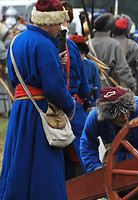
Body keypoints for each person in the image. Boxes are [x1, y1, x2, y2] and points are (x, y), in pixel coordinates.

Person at [0, 0, 75, 200]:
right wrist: (70, 106)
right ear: (47, 22)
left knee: (19, 158)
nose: (61, 28)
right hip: (40, 106)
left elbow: (15, 78)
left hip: (22, 106)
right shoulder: (45, 44)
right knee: (44, 162)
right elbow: (53, 87)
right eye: (58, 23)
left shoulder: (17, 40)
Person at [58, 1, 91, 180]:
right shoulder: (69, 46)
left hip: (57, 101)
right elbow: (83, 82)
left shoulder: (68, 45)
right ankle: (85, 184)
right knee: (82, 144)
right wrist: (87, 101)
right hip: (69, 103)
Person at [89, 13, 136, 91]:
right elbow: (122, 69)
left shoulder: (88, 44)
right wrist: (132, 85)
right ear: (111, 28)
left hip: (90, 87)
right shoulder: (114, 44)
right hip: (107, 87)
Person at [69, 35, 101, 101]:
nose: (79, 56)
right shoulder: (65, 66)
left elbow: (97, 89)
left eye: (82, 53)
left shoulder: (92, 65)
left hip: (89, 103)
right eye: (76, 52)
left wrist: (98, 105)